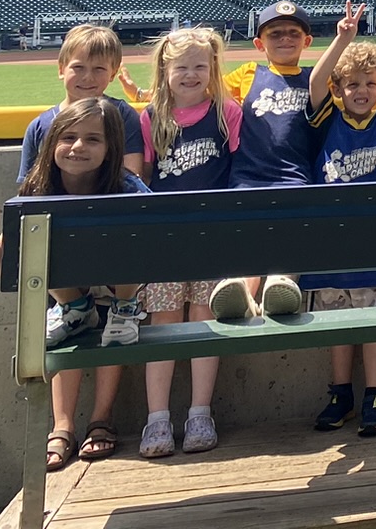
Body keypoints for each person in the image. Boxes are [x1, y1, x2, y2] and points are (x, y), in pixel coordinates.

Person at [0, 99, 151, 473]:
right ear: (51, 144)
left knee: (134, 233)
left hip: (122, 285)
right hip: (72, 286)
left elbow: (154, 251)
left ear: (111, 148)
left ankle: (123, 308)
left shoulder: (127, 186)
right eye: (67, 137)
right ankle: (74, 308)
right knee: (40, 242)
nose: (78, 147)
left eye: (92, 139)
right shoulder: (38, 190)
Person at [303, 5, 376, 436]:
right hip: (332, 238)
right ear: (339, 87)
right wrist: (342, 40)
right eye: (352, 84)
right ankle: (341, 393)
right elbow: (315, 83)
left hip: (374, 238)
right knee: (337, 322)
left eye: (371, 84)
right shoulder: (327, 116)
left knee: (373, 319)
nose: (361, 91)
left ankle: (374, 395)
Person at [133, 27, 241, 458]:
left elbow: (238, 173)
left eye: (200, 66)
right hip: (166, 240)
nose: (191, 74)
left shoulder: (226, 113)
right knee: (162, 324)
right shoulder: (150, 117)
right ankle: (156, 417)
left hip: (211, 237)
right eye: (182, 66)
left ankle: (200, 412)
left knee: (203, 319)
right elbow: (142, 179)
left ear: (213, 69)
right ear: (165, 69)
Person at [209, 1, 319, 322]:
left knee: (292, 230)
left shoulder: (314, 79)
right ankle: (243, 290)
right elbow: (205, 94)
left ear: (306, 41)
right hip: (248, 175)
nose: (285, 39)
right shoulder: (248, 73)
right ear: (260, 44)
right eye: (275, 34)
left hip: (295, 176)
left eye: (293, 33)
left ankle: (281, 285)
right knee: (247, 233)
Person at [19, 24, 146, 186]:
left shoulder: (123, 115)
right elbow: (28, 187)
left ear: (112, 73)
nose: (88, 77)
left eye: (99, 69)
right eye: (78, 67)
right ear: (61, 70)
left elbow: (132, 176)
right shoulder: (39, 126)